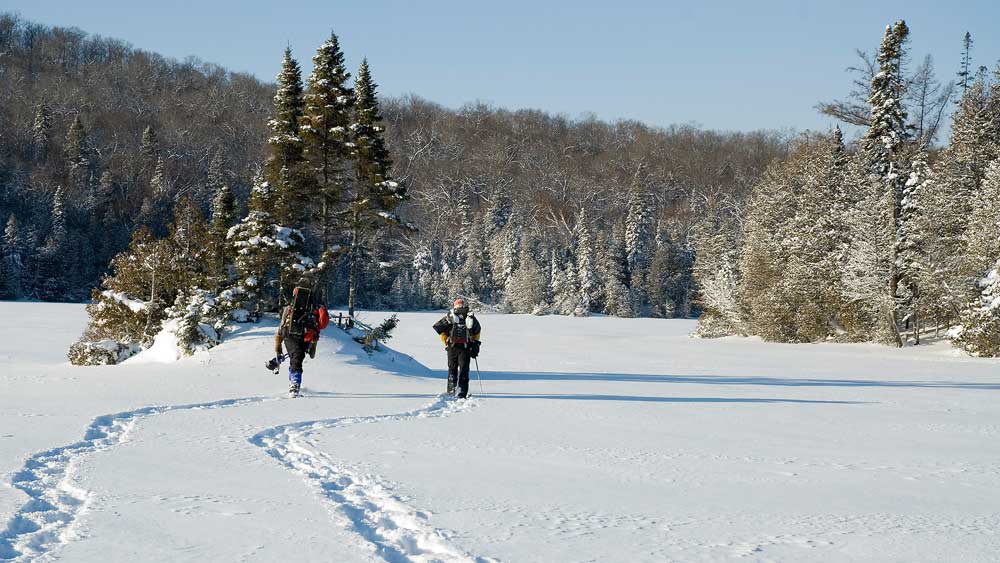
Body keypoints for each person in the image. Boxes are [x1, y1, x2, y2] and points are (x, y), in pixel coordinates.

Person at [274, 286, 329, 397]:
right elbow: (321, 325)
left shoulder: (289, 307)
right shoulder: (315, 309)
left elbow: (282, 325)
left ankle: (294, 383)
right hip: (307, 337)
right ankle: (294, 384)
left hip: (289, 335)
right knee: (297, 358)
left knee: (295, 358)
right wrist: (314, 342)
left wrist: (278, 343)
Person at [432, 298, 482, 398]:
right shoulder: (470, 317)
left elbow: (437, 328)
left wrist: (445, 340)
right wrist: (475, 344)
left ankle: (451, 390)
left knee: (452, 369)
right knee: (464, 369)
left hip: (452, 347)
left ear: (454, 306)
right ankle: (462, 392)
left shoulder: (450, 316)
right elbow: (477, 331)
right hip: (465, 348)